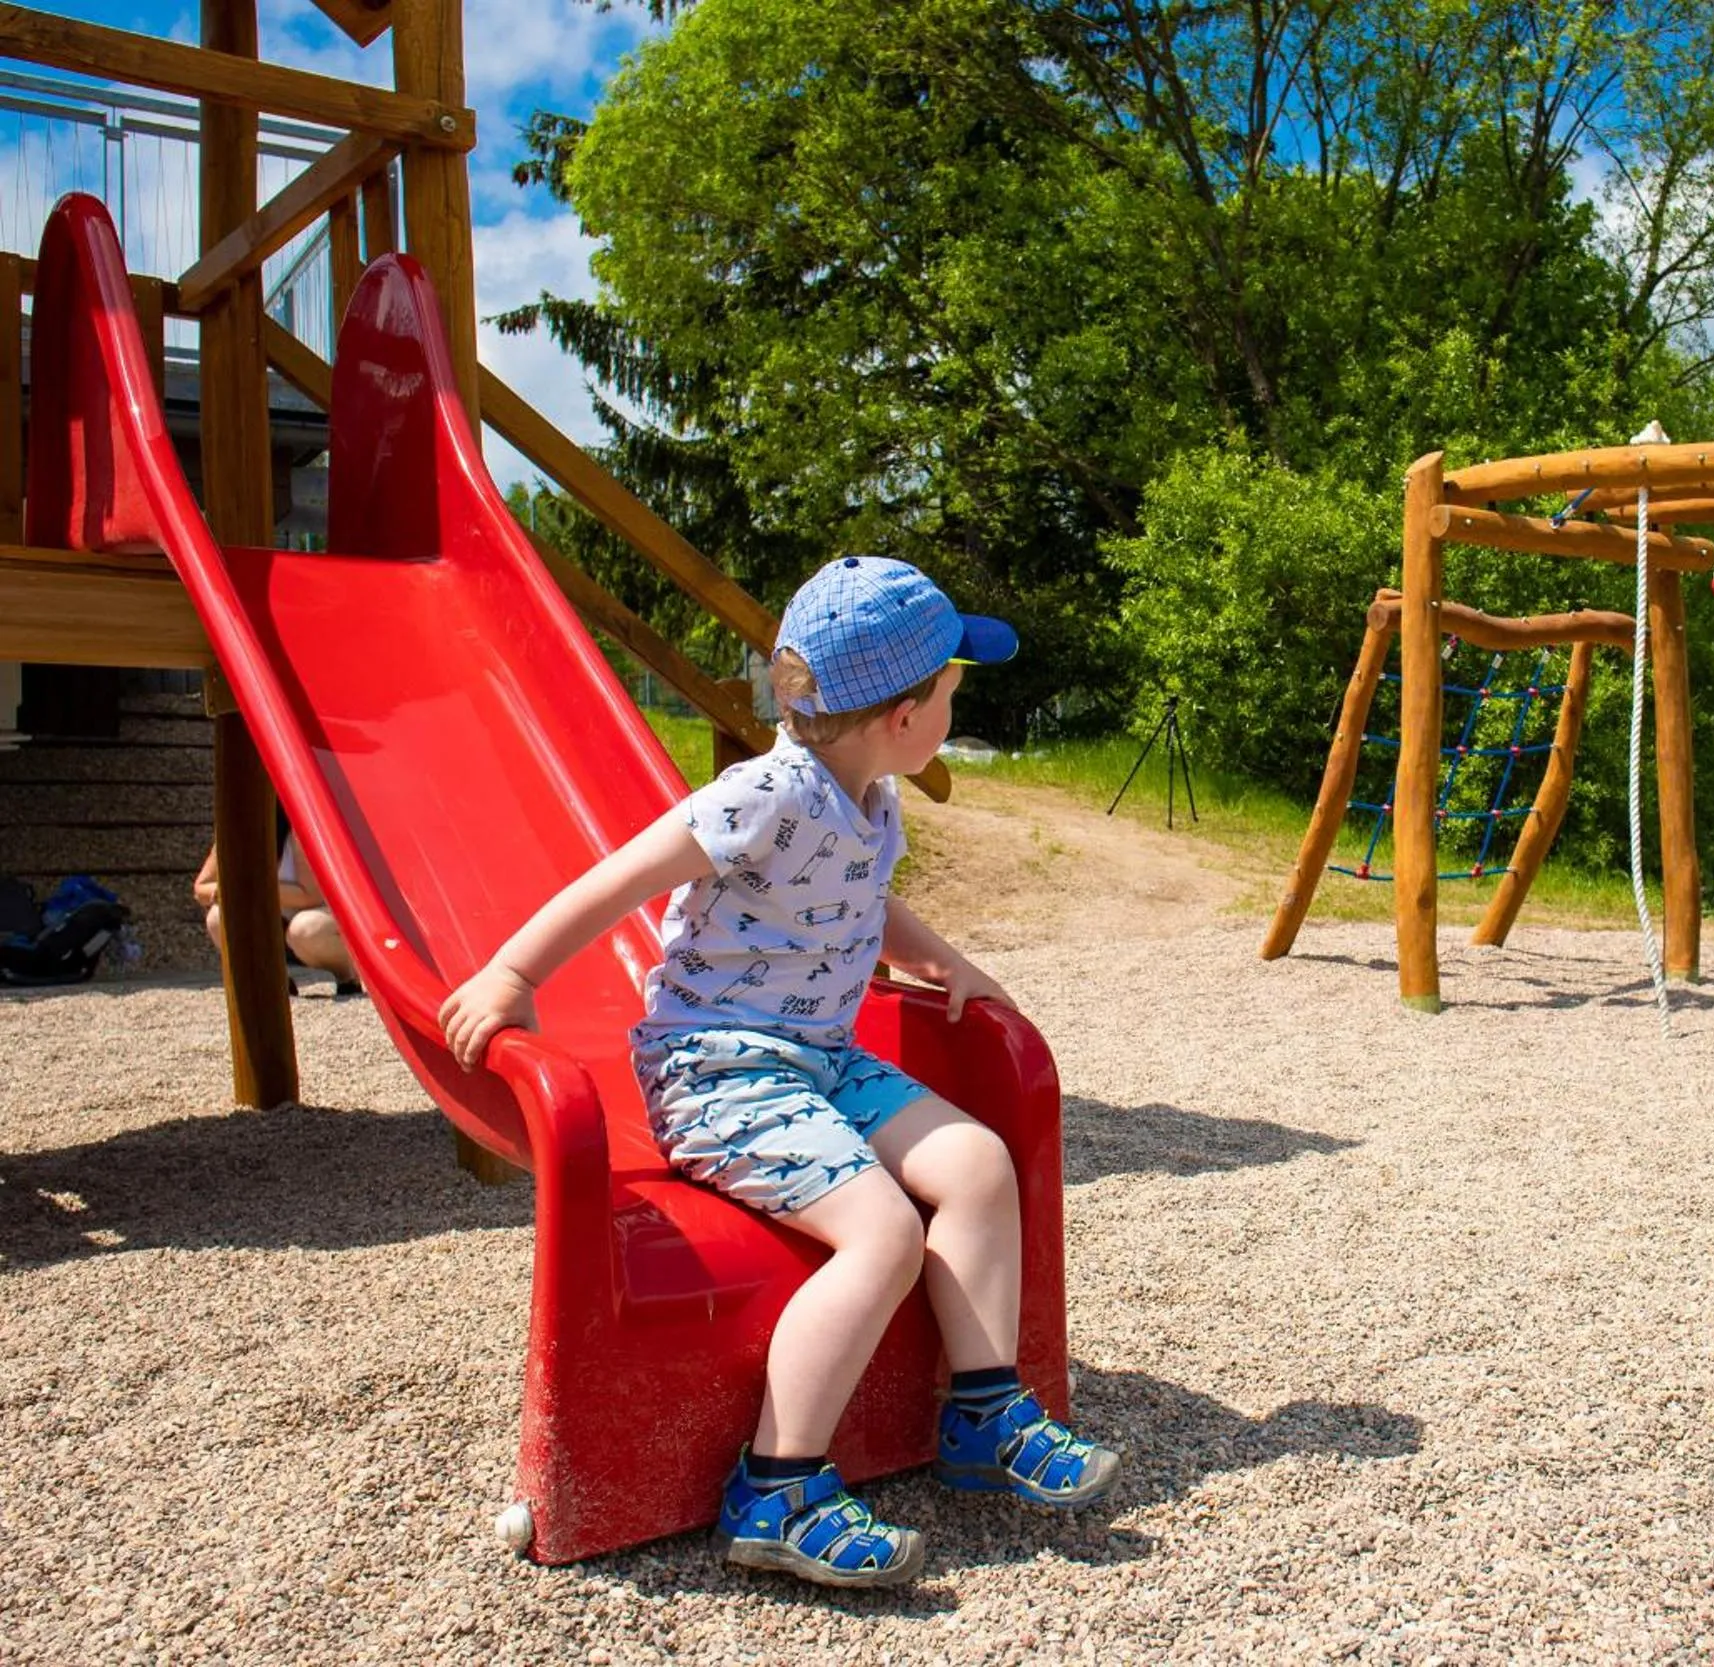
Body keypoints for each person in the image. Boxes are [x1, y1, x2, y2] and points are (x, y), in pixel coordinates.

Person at [438, 555, 1117, 1589]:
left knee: (977, 1163)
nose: (952, 708)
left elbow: (860, 894)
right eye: (948, 693)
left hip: (822, 1059)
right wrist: (512, 971)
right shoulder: (761, 796)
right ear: (900, 712)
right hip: (718, 1073)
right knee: (884, 1228)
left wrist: (944, 961)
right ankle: (779, 1482)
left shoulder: (870, 796)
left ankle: (982, 1411)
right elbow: (618, 875)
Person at [193, 815, 362, 997]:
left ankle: (347, 975)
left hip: (315, 915)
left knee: (306, 928)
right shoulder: (232, 832)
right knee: (218, 917)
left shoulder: (297, 830)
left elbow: (309, 895)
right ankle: (272, 978)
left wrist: (249, 889)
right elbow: (201, 888)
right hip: (267, 917)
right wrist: (225, 890)